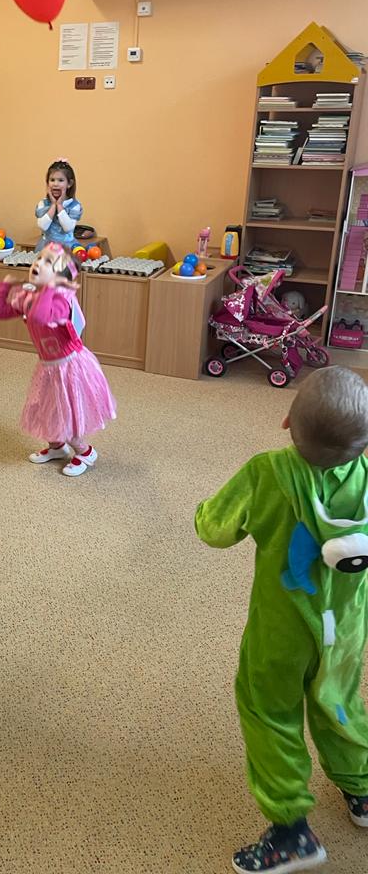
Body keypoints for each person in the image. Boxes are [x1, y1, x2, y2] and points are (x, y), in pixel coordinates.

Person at [195, 366, 368, 872]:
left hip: (281, 632)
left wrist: (204, 511)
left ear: (287, 421)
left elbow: (214, 529)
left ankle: (291, 831)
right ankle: (361, 789)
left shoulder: (266, 472)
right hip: (346, 629)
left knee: (268, 711)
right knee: (339, 701)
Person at [0, 242, 115, 476]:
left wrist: (47, 289)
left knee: (67, 414)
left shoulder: (61, 300)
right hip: (48, 367)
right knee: (46, 409)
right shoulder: (32, 295)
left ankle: (85, 451)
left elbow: (40, 317)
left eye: (48, 262)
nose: (38, 263)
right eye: (39, 258)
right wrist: (3, 288)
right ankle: (57, 446)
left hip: (70, 367)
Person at [34, 159, 83, 252]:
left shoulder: (74, 205)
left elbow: (68, 228)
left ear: (69, 183)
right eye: (52, 180)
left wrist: (59, 205)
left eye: (61, 180)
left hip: (66, 248)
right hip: (46, 248)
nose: (55, 184)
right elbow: (43, 226)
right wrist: (53, 205)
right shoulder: (43, 203)